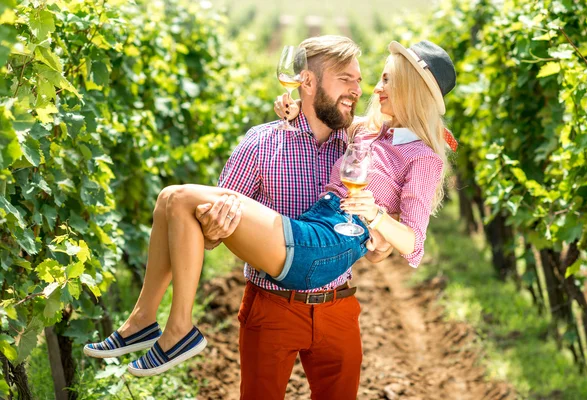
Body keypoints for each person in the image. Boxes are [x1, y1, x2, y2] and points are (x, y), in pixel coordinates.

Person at [83, 38, 456, 398]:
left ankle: (174, 329)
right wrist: (296, 111)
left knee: (178, 196)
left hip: (325, 255)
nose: (372, 89)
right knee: (170, 198)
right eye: (353, 79)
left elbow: (413, 244)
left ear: (410, 87)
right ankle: (145, 321)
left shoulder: (422, 156)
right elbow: (207, 234)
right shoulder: (363, 134)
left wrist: (375, 217)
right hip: (290, 273)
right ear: (307, 82)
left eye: (383, 79)